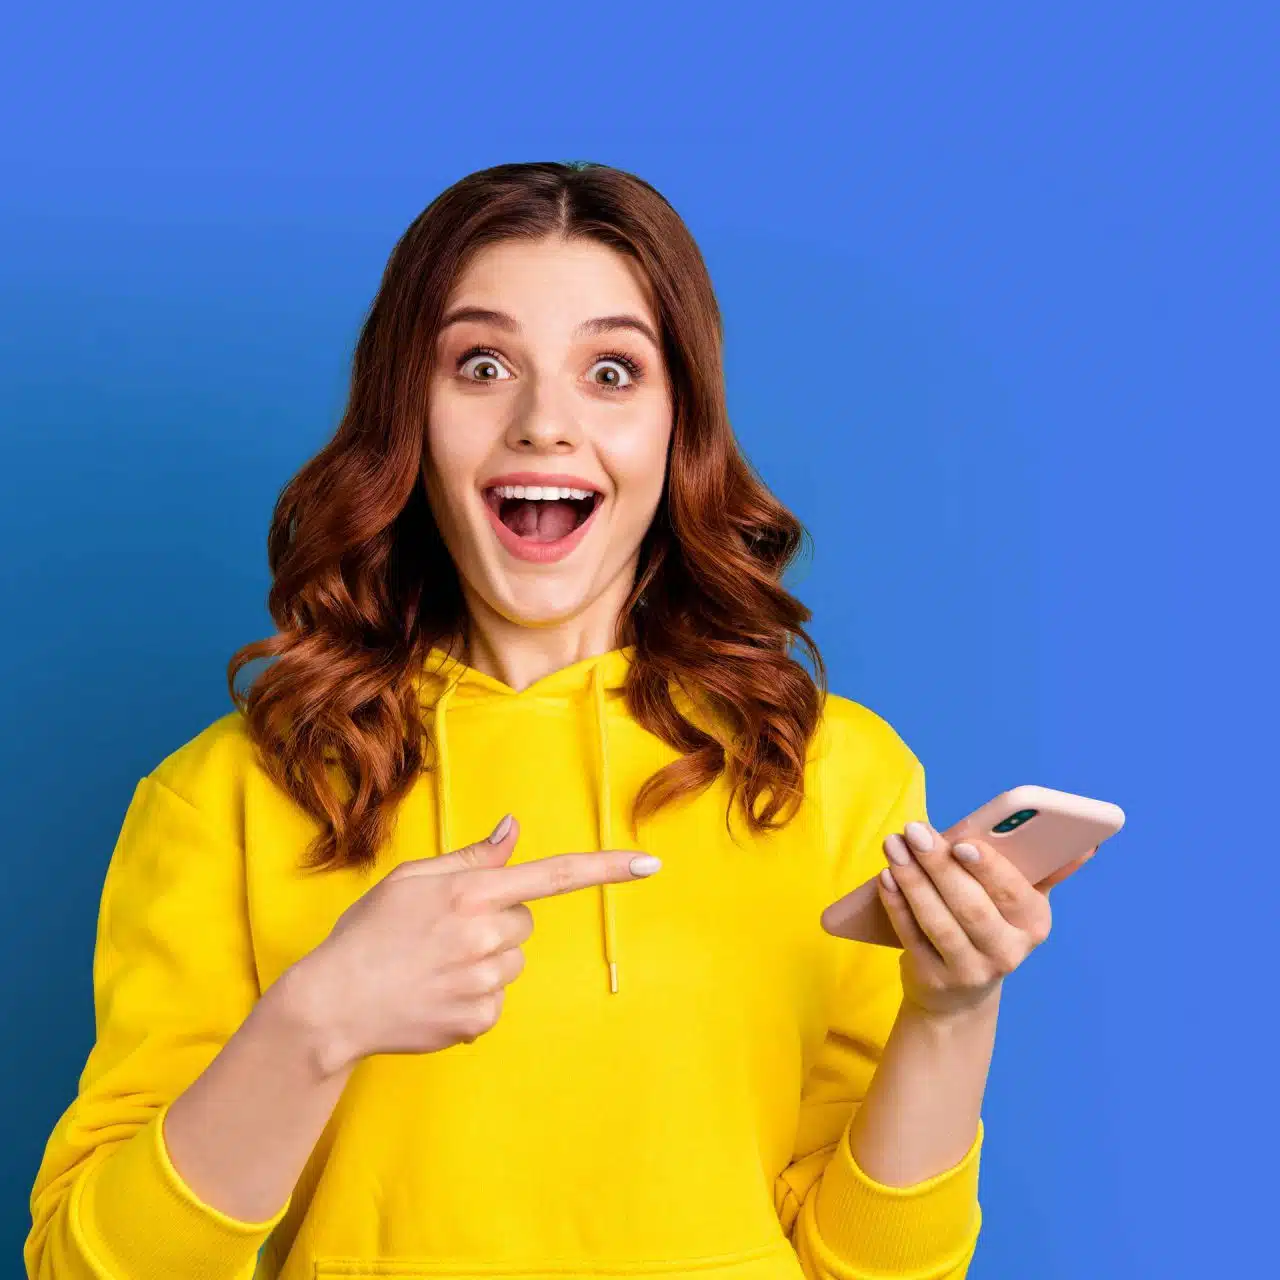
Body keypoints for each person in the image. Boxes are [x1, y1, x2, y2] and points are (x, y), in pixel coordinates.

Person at [25, 160, 1092, 1280]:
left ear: (679, 424)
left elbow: (874, 1270)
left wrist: (952, 1011)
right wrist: (314, 1021)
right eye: (481, 365)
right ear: (408, 414)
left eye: (611, 371)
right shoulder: (229, 794)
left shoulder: (829, 775)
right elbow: (87, 1268)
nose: (544, 423)